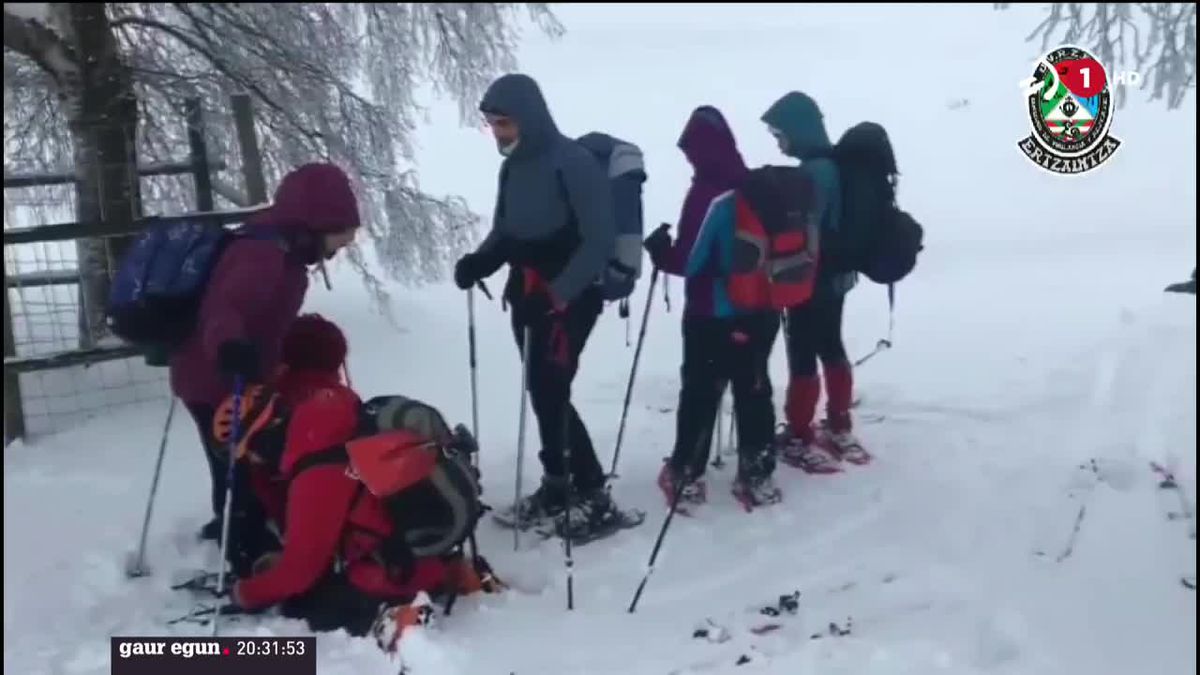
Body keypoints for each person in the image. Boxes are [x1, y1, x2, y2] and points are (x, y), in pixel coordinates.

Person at [453, 73, 639, 541]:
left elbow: (598, 240)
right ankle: (558, 485)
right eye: (492, 126)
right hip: (527, 293)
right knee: (542, 390)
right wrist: (482, 260)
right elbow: (506, 229)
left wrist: (556, 296)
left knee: (550, 389)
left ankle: (594, 495)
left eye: (505, 124)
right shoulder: (513, 168)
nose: (498, 134)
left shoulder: (573, 164)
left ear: (529, 120)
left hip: (571, 298)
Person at [221, 315, 478, 644]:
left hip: (387, 563)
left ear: (285, 363)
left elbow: (301, 570)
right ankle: (447, 572)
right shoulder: (342, 403)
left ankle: (399, 615)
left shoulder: (314, 430)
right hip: (405, 544)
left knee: (306, 602)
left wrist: (244, 594)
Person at [169, 162, 361, 569]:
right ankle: (245, 550)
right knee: (240, 467)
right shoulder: (262, 254)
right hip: (215, 377)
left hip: (230, 374)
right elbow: (225, 309)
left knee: (234, 463)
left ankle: (231, 526)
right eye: (336, 241)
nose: (334, 252)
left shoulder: (283, 253)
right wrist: (231, 347)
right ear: (315, 223)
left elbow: (267, 316)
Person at [643, 105, 774, 510]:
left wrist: (661, 252)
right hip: (761, 308)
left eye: (690, 151)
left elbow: (690, 260)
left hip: (711, 313)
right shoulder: (756, 186)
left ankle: (687, 473)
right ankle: (757, 473)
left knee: (701, 390)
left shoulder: (707, 195)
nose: (689, 159)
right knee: (753, 387)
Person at [761, 92, 871, 474]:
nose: (779, 142)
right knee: (831, 343)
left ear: (799, 131)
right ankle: (838, 423)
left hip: (812, 276)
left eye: (781, 134)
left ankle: (799, 431)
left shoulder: (814, 173)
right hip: (838, 274)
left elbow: (808, 226)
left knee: (803, 350)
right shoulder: (834, 165)